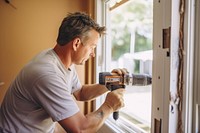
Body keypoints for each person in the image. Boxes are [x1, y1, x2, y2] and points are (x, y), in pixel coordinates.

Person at [0, 12, 126, 133]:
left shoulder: (60, 60)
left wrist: (110, 82)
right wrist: (109, 106)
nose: (93, 54)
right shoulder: (47, 73)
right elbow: (81, 129)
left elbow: (80, 93)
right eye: (92, 47)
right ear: (76, 44)